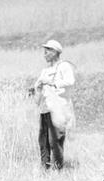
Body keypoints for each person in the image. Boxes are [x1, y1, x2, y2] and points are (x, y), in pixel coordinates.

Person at [31, 39, 76, 170]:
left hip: (59, 110)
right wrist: (36, 89)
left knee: (55, 141)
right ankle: (44, 169)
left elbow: (70, 81)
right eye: (44, 50)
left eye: (48, 50)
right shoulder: (45, 70)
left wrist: (51, 82)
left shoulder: (64, 66)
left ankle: (58, 170)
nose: (44, 53)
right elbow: (39, 93)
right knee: (43, 142)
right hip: (44, 110)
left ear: (56, 52)